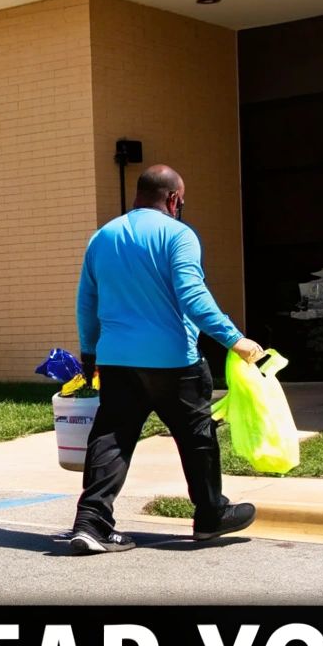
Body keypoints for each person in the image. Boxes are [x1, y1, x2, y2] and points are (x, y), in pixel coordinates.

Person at [69, 164, 263, 553]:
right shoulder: (178, 235)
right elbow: (193, 296)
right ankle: (210, 515)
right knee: (197, 438)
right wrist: (234, 339)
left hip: (117, 360)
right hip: (174, 361)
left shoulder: (102, 237)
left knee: (111, 436)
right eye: (181, 200)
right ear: (173, 199)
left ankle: (92, 522)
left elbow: (86, 303)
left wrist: (89, 352)